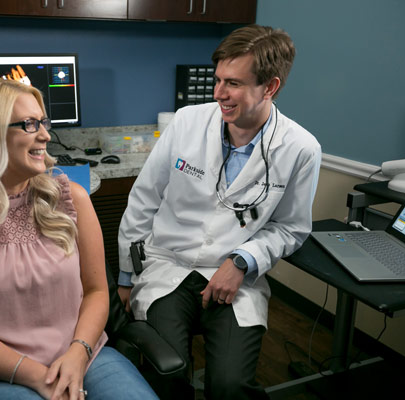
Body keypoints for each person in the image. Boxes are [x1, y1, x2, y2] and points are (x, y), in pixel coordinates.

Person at [0, 78, 158, 400]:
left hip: (83, 358)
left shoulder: (71, 199)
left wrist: (78, 353)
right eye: (29, 125)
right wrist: (41, 377)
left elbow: (98, 291)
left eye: (43, 122)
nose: (45, 135)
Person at [117, 24, 322, 399]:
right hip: (168, 264)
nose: (219, 94)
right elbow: (143, 199)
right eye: (218, 80)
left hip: (234, 279)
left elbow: (291, 228)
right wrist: (127, 276)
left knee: (230, 386)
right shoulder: (187, 122)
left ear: (270, 87)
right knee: (169, 373)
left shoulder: (300, 148)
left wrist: (243, 261)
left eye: (234, 84)